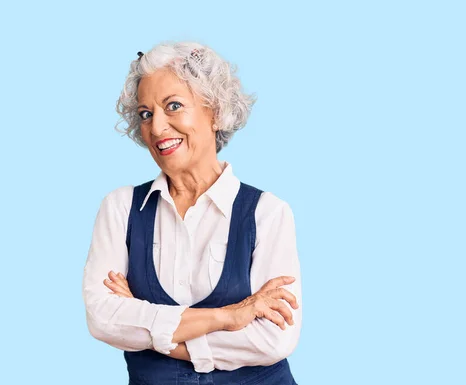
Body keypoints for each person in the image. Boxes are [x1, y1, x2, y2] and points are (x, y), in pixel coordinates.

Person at [82, 41, 302, 385]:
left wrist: (148, 326)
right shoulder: (121, 208)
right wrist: (228, 317)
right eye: (145, 114)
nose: (156, 128)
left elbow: (274, 340)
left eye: (173, 106)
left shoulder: (268, 213)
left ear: (214, 111)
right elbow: (102, 319)